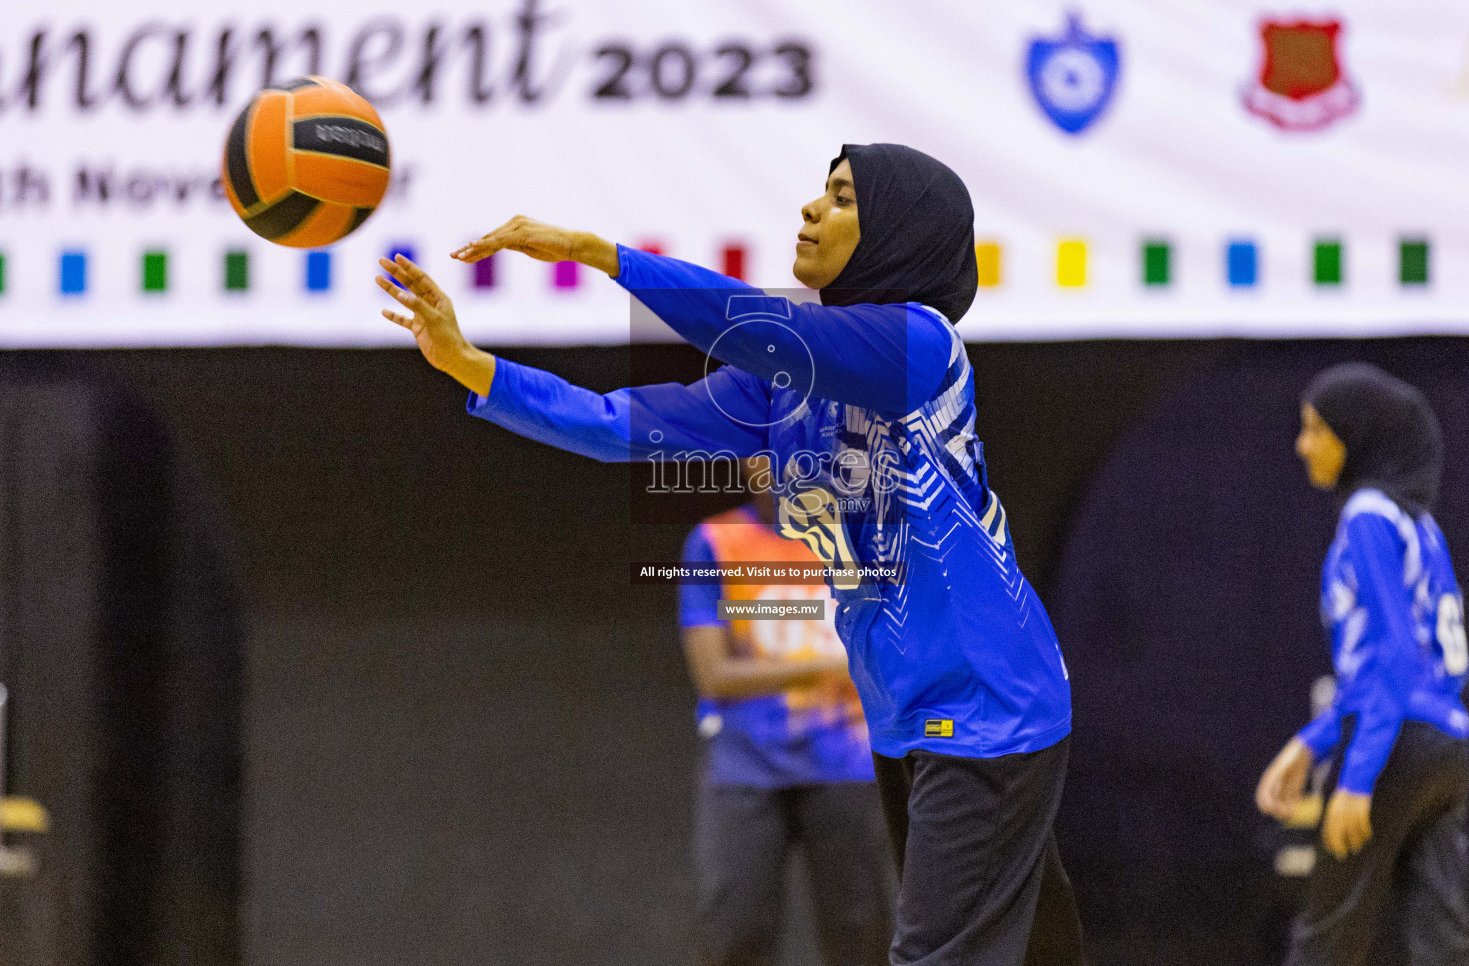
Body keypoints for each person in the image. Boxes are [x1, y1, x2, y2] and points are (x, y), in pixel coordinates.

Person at [375, 143, 1085, 965]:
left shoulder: (921, 347)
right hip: (903, 713)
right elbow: (618, 427)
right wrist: (471, 366)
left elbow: (761, 328)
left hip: (986, 702)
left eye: (844, 198)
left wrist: (599, 255)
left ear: (900, 234)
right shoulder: (781, 389)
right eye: (820, 193)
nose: (811, 211)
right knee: (1032, 952)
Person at [1255, 362, 1469, 966]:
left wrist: (1357, 775)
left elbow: (1394, 659)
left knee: (1327, 938)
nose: (1302, 445)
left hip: (1394, 745)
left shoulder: (1368, 515)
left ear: (1357, 435)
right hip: (1447, 746)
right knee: (1441, 940)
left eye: (1315, 429)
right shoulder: (1420, 523)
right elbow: (1428, 668)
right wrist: (1312, 742)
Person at [679, 461, 892, 965]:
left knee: (861, 936)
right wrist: (835, 664)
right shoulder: (714, 542)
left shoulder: (861, 541)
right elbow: (713, 675)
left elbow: (891, 649)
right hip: (744, 769)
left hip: (847, 765)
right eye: (762, 454)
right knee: (735, 937)